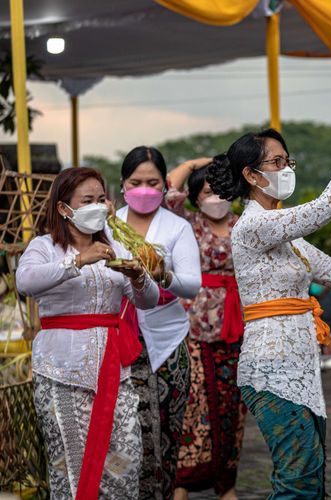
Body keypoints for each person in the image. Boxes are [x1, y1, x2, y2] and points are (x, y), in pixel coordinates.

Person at [206, 129, 331, 498]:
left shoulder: (287, 236)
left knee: (310, 476)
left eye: (288, 160)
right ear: (251, 176)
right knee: (298, 478)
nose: (286, 167)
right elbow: (323, 209)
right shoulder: (253, 226)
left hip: (301, 365)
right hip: (270, 366)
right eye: (276, 162)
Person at [16, 167, 159, 499]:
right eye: (87, 201)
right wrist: (77, 261)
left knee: (125, 460)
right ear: (65, 209)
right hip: (60, 370)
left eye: (100, 199)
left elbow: (148, 300)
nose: (97, 206)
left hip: (113, 369)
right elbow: (25, 282)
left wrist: (139, 277)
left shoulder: (114, 249)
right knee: (71, 465)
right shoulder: (44, 247)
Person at [114, 146, 202, 500]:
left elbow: (192, 284)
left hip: (167, 343)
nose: (144, 189)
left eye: (152, 182)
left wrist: (164, 275)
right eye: (136, 182)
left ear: (165, 186)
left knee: (166, 435)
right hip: (118, 342)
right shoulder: (107, 226)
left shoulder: (177, 227)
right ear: (122, 185)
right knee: (124, 435)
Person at [165, 157, 247, 500]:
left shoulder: (244, 224)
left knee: (233, 408)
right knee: (195, 403)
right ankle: (183, 483)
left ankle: (225, 484)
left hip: (237, 324)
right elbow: (171, 190)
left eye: (221, 190)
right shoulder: (187, 224)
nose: (215, 197)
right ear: (196, 197)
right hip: (195, 324)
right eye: (208, 191)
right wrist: (203, 162)